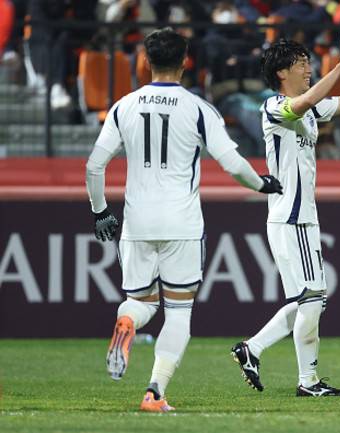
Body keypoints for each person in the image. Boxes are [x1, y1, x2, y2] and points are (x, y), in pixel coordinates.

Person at [85, 28, 283, 412]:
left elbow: (95, 165)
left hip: (137, 222)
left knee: (140, 302)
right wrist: (261, 184)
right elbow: (231, 163)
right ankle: (154, 392)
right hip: (182, 223)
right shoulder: (198, 108)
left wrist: (100, 211)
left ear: (146, 61)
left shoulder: (124, 106)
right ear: (185, 62)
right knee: (178, 311)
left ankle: (127, 322)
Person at [231, 29, 340, 397]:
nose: (308, 69)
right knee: (312, 298)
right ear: (282, 73)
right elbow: (305, 102)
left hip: (302, 218)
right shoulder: (273, 107)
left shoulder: (311, 109)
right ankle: (308, 381)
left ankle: (252, 348)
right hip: (290, 216)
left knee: (310, 299)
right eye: (301, 64)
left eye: (308, 63)